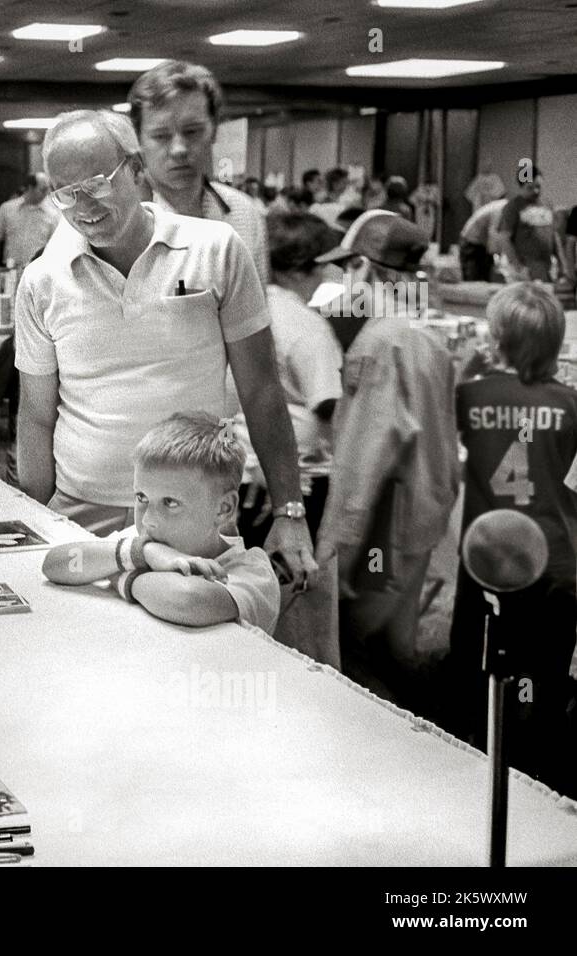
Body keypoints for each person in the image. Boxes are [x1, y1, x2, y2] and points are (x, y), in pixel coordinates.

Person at [15, 109, 316, 591]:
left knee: (193, 640)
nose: (84, 205)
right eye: (66, 194)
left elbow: (260, 389)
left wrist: (290, 511)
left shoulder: (215, 249)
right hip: (81, 514)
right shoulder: (42, 279)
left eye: (96, 183)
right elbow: (35, 413)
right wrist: (29, 515)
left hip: (193, 517)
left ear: (136, 171)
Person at [313, 210, 459, 711]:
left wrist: (332, 554)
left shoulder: (378, 344)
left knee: (358, 663)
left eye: (344, 269)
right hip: (423, 518)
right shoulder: (424, 334)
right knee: (402, 653)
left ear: (365, 268)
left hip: (384, 532)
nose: (338, 282)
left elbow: (362, 462)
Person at [448, 283, 577, 796]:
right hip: (554, 559)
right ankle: (540, 774)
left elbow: (448, 432)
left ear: (496, 340)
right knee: (542, 674)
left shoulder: (470, 396)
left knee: (476, 670)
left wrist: (472, 369)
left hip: (488, 556)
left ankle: (475, 763)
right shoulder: (570, 404)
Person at [42, 412, 280, 634]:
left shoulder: (252, 571)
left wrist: (122, 575)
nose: (148, 519)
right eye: (141, 498)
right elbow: (56, 564)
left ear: (223, 508)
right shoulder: (143, 545)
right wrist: (142, 553)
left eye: (170, 503)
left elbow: (187, 601)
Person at [236, 212, 342, 549]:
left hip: (245, 473)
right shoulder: (307, 326)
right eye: (330, 264)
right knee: (294, 586)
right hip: (296, 485)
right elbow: (329, 405)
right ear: (305, 266)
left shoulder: (245, 308)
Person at [129, 60, 269, 285]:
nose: (179, 149)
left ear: (214, 130)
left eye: (192, 131)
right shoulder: (121, 216)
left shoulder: (243, 212)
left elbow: (261, 311)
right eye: (161, 136)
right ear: (137, 139)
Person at [0, 173, 58, 280]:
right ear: (30, 188)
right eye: (42, 190)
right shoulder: (7, 208)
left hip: (39, 272)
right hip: (11, 271)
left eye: (48, 189)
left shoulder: (53, 214)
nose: (46, 193)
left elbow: (56, 247)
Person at [496, 167, 558, 282]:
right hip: (525, 267)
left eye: (538, 186)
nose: (535, 191)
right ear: (521, 187)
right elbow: (504, 238)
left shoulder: (547, 204)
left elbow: (553, 234)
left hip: (546, 266)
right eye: (530, 187)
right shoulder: (513, 207)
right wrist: (518, 267)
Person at [457, 196, 508, 282]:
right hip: (471, 243)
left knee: (485, 278)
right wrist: (501, 258)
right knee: (473, 280)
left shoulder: (505, 208)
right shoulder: (500, 209)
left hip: (482, 244)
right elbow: (493, 239)